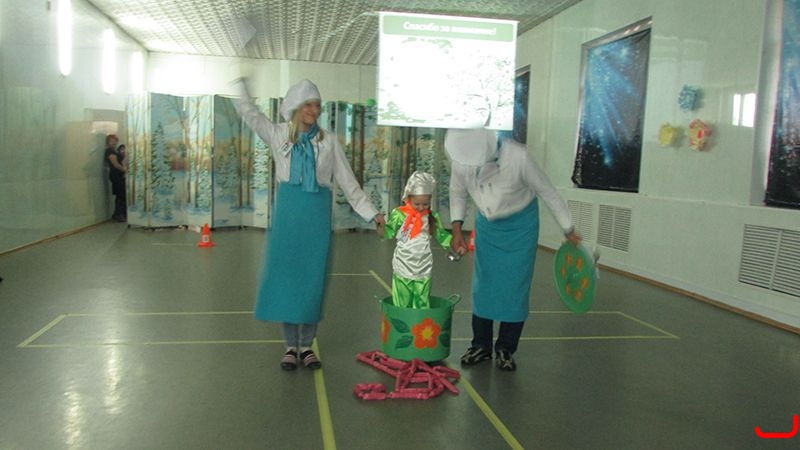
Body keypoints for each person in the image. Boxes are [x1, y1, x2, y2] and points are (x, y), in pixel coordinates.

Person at [234, 78, 386, 371]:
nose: (314, 111)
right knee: (288, 280)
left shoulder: (328, 141)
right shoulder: (278, 134)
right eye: (309, 105)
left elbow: (347, 181)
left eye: (317, 105)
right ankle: (290, 346)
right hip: (288, 216)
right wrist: (241, 86)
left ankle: (307, 345)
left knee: (312, 281)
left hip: (316, 217)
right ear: (296, 107)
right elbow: (250, 115)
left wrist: (372, 213)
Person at [446, 128, 581, 371]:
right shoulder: (462, 157)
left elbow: (548, 192)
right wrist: (457, 229)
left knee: (515, 287)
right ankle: (480, 345)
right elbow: (457, 192)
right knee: (483, 286)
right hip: (488, 227)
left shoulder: (519, 156)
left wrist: (568, 228)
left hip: (521, 227)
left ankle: (506, 348)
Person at [377, 171, 455, 309]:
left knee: (422, 301)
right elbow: (388, 233)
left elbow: (442, 235)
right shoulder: (399, 214)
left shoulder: (432, 216)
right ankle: (402, 322)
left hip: (424, 264)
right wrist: (381, 226)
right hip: (403, 263)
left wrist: (454, 245)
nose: (421, 208)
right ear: (408, 198)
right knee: (402, 301)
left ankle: (419, 322)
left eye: (425, 204)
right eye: (417, 204)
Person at [104, 135, 127, 222]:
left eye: (115, 141)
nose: (114, 142)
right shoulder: (110, 151)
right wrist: (125, 170)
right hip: (116, 175)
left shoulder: (114, 151)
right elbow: (115, 164)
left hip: (119, 175)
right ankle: (119, 214)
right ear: (108, 142)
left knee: (121, 194)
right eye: (111, 141)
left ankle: (118, 213)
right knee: (120, 194)